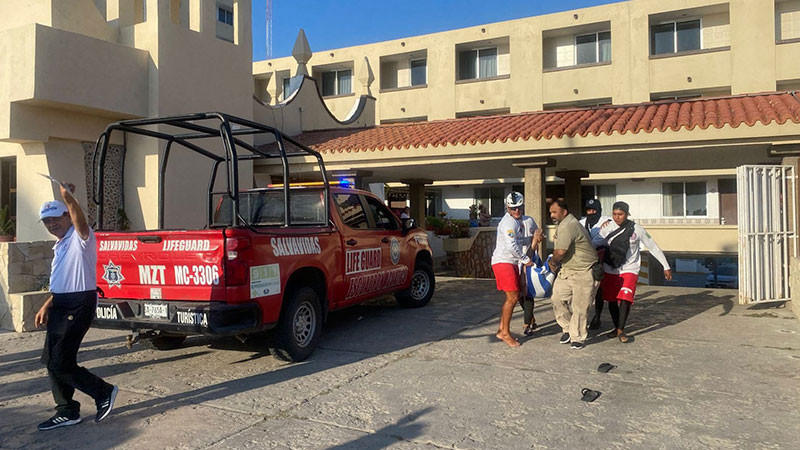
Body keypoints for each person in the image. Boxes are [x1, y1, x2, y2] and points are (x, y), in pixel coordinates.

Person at [34, 182, 118, 431]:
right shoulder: (60, 245)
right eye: (46, 221)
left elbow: (80, 220)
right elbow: (65, 279)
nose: (52, 225)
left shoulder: (81, 238)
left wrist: (68, 198)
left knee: (61, 362)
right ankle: (67, 411)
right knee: (51, 359)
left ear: (67, 216)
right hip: (61, 303)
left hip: (78, 304)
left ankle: (103, 392)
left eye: (56, 219)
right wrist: (47, 304)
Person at [593, 201, 672, 343]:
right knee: (611, 300)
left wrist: (665, 266)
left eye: (620, 214)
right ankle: (616, 327)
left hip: (630, 268)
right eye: (615, 214)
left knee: (625, 298)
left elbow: (653, 247)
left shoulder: (637, 229)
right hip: (610, 268)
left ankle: (621, 330)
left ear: (627, 214)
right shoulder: (606, 228)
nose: (617, 217)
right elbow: (594, 244)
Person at [547, 200, 601, 350]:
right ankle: (568, 328)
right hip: (568, 270)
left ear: (564, 212)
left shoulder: (569, 225)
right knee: (557, 298)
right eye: (550, 212)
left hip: (584, 271)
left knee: (580, 307)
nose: (551, 215)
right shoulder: (564, 224)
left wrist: (552, 263)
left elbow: (560, 252)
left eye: (554, 212)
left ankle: (577, 337)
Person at [491, 191, 533, 347]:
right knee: (513, 298)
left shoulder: (518, 221)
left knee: (513, 297)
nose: (516, 211)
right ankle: (505, 333)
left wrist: (534, 238)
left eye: (519, 208)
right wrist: (525, 259)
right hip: (504, 261)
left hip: (510, 262)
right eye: (513, 208)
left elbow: (520, 240)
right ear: (507, 208)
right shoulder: (508, 223)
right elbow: (511, 245)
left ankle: (502, 329)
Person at [578, 199, 612, 330]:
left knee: (599, 289)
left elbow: (615, 223)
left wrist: (610, 222)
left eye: (594, 210)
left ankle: (597, 317)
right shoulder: (581, 222)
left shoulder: (607, 220)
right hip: (584, 259)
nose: (591, 213)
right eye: (588, 210)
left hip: (601, 258)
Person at [518, 213, 542, 336]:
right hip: (514, 261)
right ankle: (531, 319)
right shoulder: (508, 222)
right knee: (517, 295)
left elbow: (539, 234)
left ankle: (527, 324)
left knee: (527, 293)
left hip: (528, 259)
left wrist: (537, 237)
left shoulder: (529, 220)